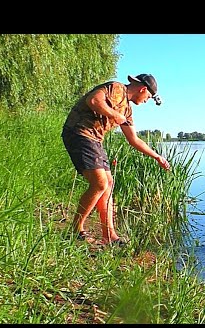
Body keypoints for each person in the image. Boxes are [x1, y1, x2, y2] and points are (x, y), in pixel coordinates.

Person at [61, 74, 170, 246]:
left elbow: (134, 139)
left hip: (95, 140)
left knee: (109, 184)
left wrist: (157, 156)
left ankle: (109, 235)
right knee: (99, 184)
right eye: (148, 97)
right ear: (143, 89)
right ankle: (75, 230)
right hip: (79, 132)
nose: (147, 101)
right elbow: (94, 101)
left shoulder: (127, 110)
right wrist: (114, 114)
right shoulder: (117, 88)